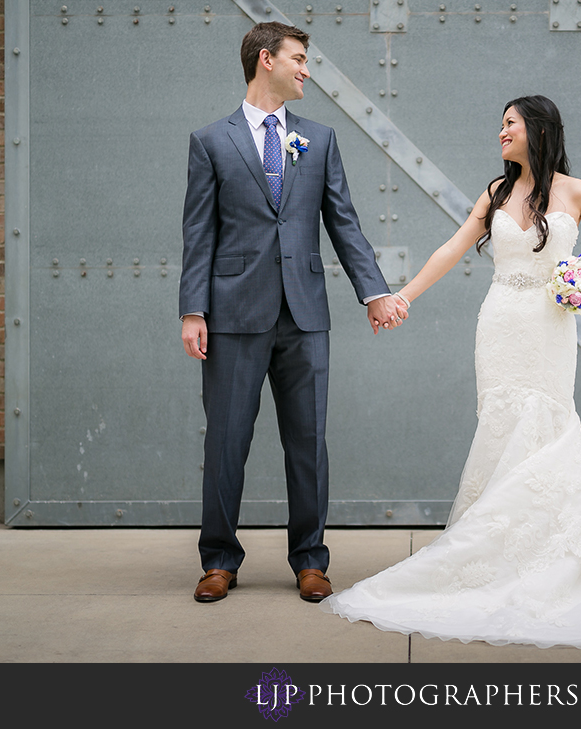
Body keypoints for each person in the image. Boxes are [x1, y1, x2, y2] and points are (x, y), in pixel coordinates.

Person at [320, 96, 581, 647]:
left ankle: (549, 558)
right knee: (503, 429)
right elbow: (453, 247)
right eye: (501, 125)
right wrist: (402, 296)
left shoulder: (575, 191)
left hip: (552, 326)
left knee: (548, 430)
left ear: (536, 128)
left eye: (509, 123)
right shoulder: (496, 192)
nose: (501, 132)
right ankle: (497, 555)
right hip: (501, 324)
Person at [178, 22, 407, 604]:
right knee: (226, 441)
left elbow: (343, 222)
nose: (307, 70)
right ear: (265, 60)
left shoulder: (318, 139)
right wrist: (192, 309)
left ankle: (310, 559)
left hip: (305, 316)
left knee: (308, 440)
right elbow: (198, 234)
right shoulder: (211, 141)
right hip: (232, 315)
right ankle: (219, 560)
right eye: (299, 59)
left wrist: (374, 291)